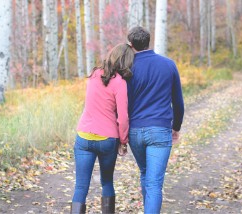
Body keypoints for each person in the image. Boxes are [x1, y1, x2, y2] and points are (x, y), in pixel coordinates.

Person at [126, 26, 184, 213]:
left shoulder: (127, 68)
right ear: (148, 41)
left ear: (131, 44)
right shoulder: (168, 65)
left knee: (145, 174)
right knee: (154, 183)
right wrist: (176, 127)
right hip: (160, 129)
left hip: (135, 131)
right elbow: (178, 102)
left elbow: (122, 102)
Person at [71, 43, 134, 214]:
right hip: (107, 139)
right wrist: (123, 141)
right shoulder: (120, 83)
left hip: (84, 136)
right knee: (107, 182)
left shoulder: (94, 74)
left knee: (81, 185)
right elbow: (123, 117)